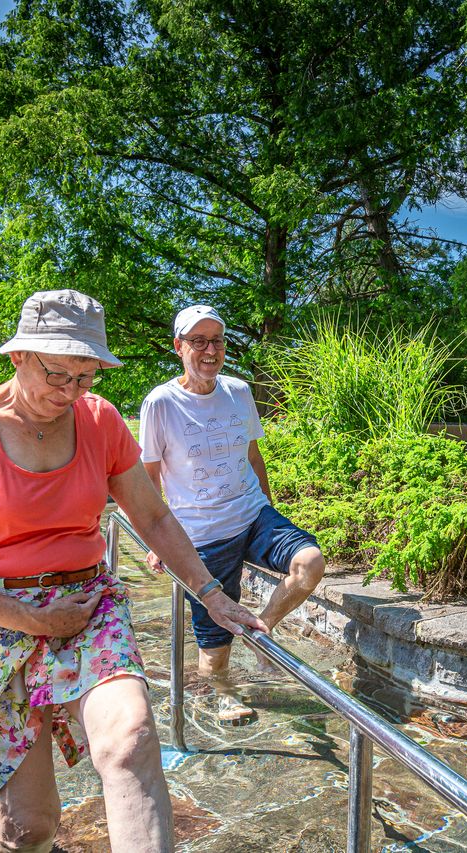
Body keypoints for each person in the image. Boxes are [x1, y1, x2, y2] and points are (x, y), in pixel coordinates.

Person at [0, 290, 266, 852]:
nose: (71, 392)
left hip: (89, 603)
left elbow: (154, 517)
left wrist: (211, 594)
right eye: (58, 374)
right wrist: (32, 619)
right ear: (18, 356)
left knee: (132, 738)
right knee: (30, 827)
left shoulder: (100, 419)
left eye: (86, 376)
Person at [139, 305, 325, 726]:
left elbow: (254, 456)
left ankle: (261, 628)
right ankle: (224, 695)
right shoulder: (161, 403)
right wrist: (158, 541)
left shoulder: (239, 391)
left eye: (217, 340)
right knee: (213, 648)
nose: (210, 349)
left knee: (310, 562)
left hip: (253, 513)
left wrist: (270, 507)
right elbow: (149, 476)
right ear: (179, 347)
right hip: (201, 534)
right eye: (198, 340)